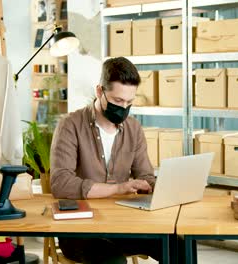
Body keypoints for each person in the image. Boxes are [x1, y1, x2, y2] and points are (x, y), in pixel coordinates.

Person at [50, 57, 159, 264]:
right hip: (80, 230)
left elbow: (145, 175)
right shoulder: (70, 125)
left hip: (124, 224)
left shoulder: (133, 128)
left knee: (178, 247)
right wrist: (119, 188)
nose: (124, 107)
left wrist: (153, 186)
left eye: (129, 102)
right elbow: (60, 183)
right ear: (100, 91)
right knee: (113, 261)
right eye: (118, 101)